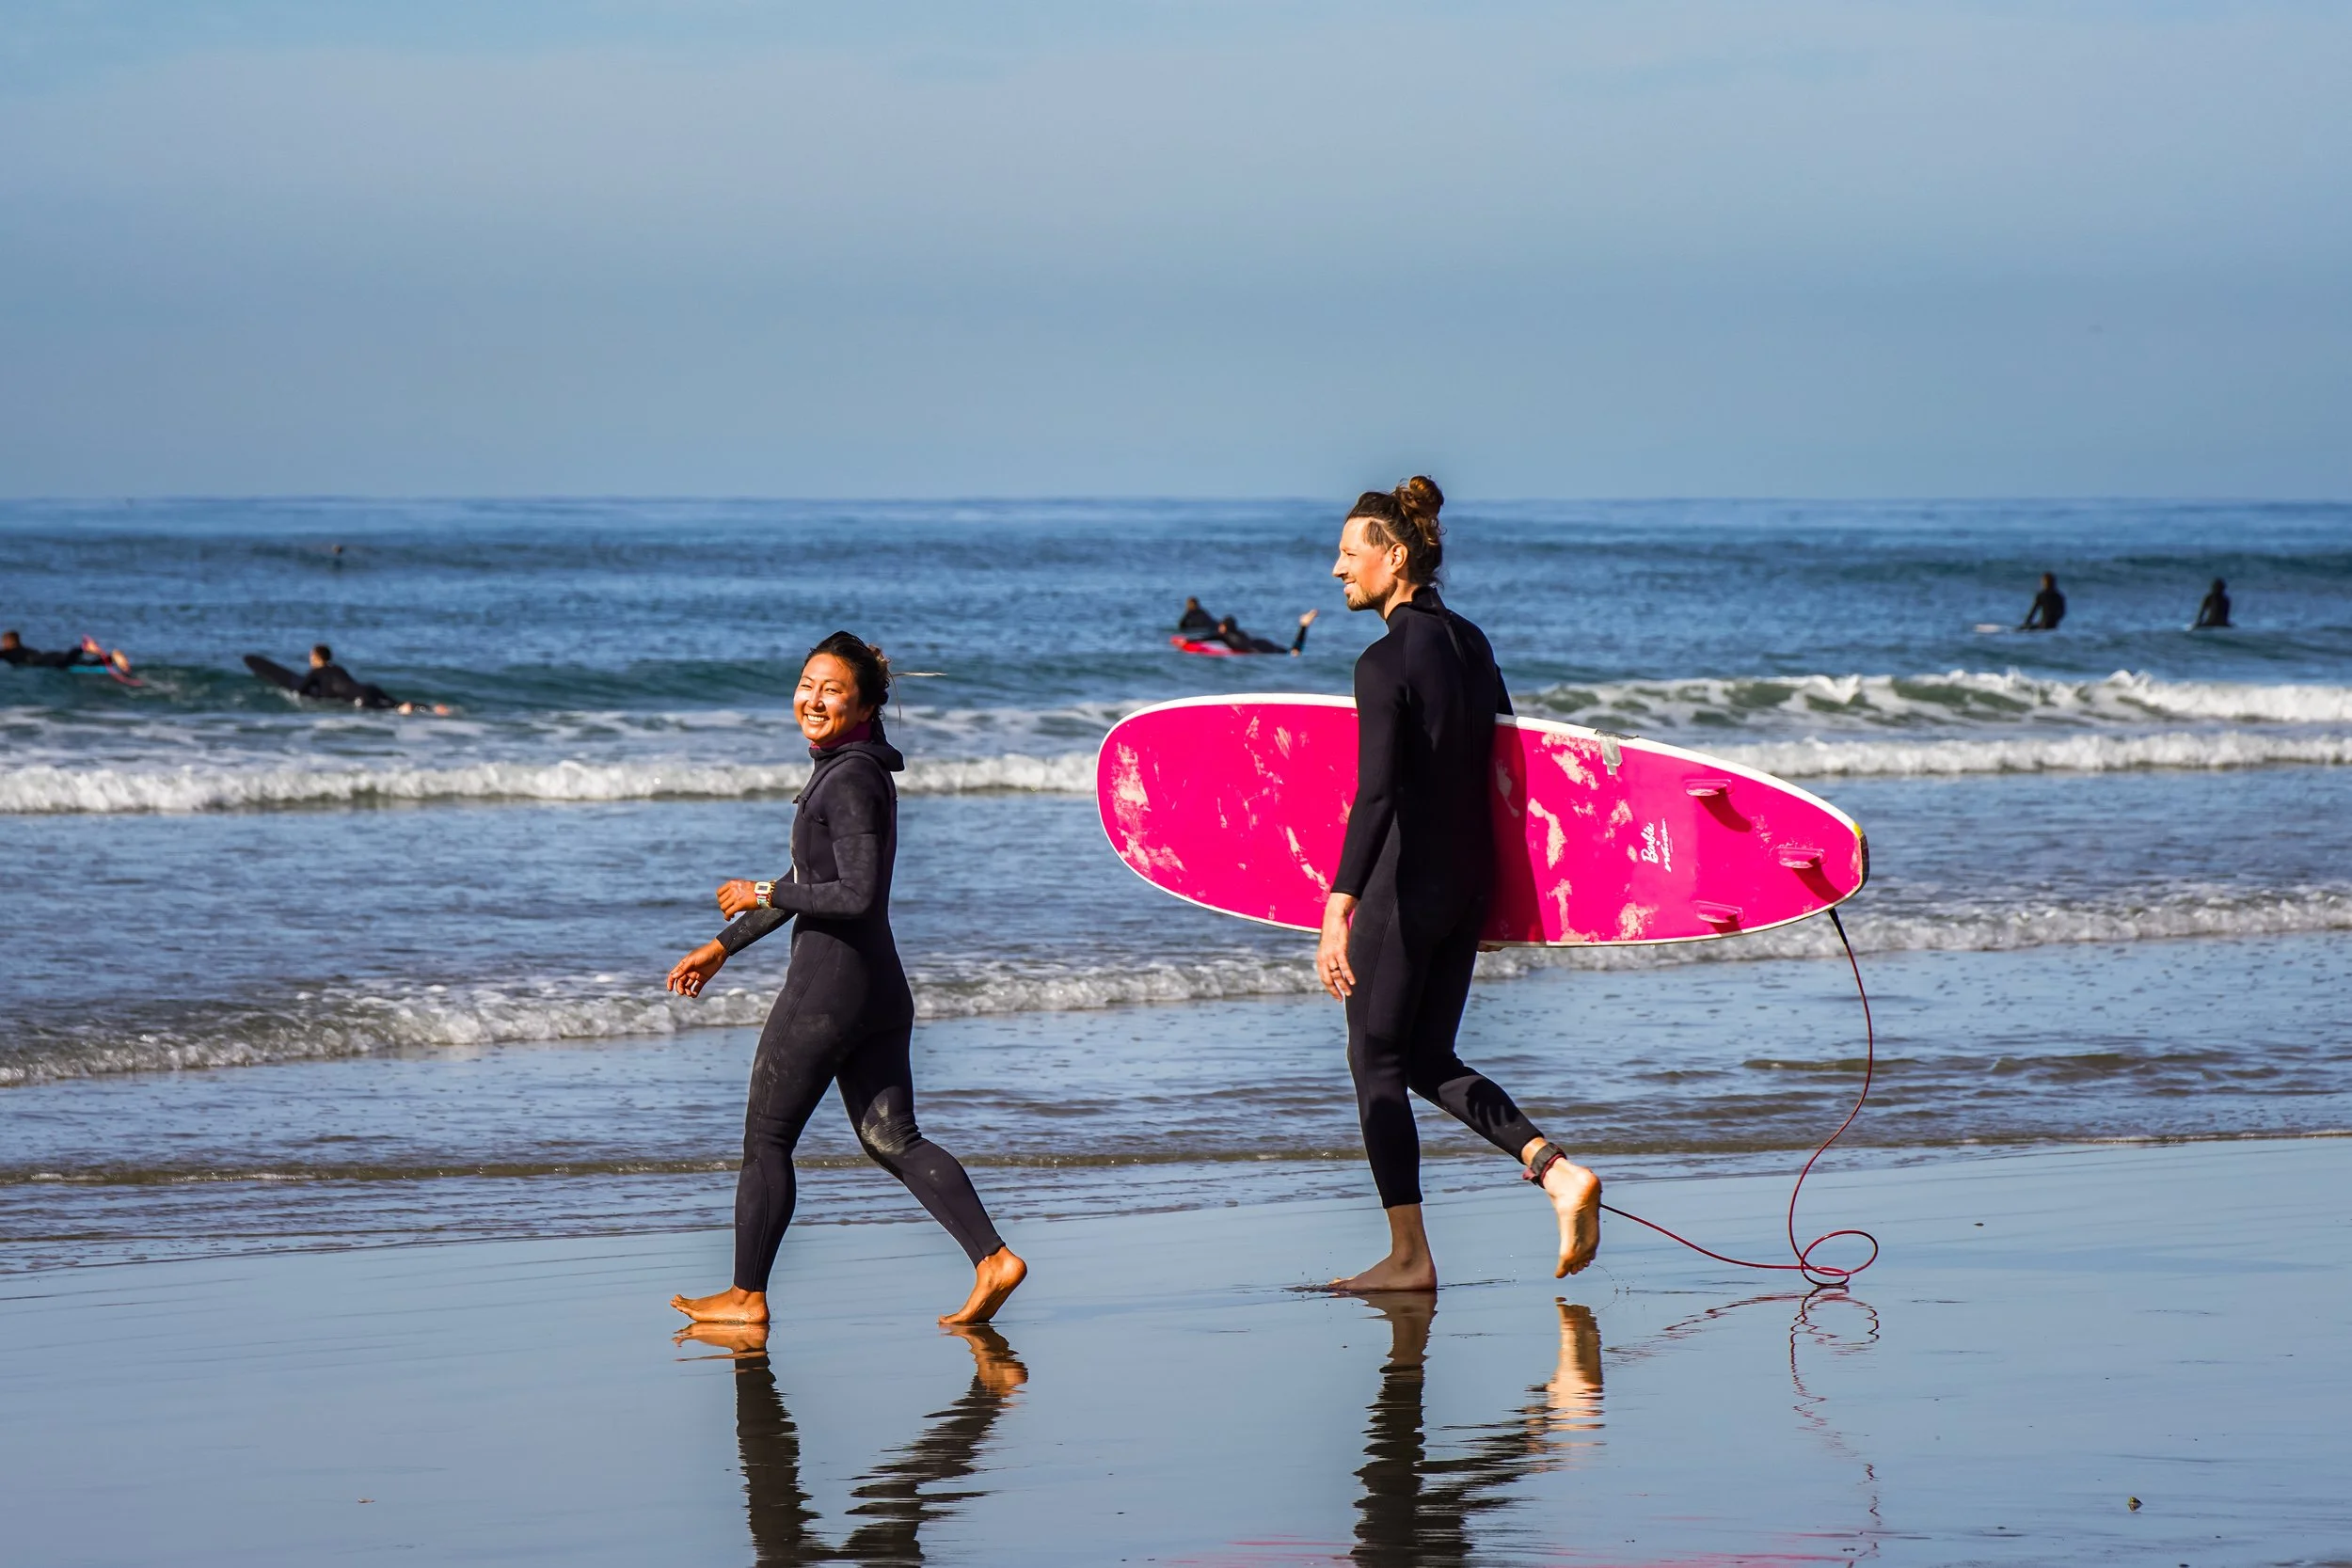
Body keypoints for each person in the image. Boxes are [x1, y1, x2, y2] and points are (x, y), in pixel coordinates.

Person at [666, 631, 1026, 1327]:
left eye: (831, 688)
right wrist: (722, 944)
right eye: (807, 683)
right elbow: (815, 880)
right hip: (876, 986)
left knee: (767, 1140)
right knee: (893, 1137)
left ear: (863, 704)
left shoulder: (852, 778)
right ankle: (992, 1258)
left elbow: (854, 893)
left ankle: (746, 1297)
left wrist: (761, 887)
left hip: (829, 988)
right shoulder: (852, 769)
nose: (813, 698)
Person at [1316, 476, 1601, 1292]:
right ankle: (1555, 1170)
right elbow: (1515, 770)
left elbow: (1376, 795)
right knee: (1425, 1055)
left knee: (1374, 1059)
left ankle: (1410, 1257)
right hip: (1464, 885)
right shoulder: (1473, 643)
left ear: (1393, 556)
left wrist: (1339, 907)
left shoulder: (1382, 661)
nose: (1337, 569)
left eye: (1349, 551)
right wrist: (1511, 896)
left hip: (1404, 889)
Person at [295, 644, 447, 715]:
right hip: (369, 688)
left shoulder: (315, 672)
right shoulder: (338, 668)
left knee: (393, 709)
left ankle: (411, 709)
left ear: (316, 658)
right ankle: (431, 708)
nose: (310, 659)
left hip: (360, 698)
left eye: (311, 656)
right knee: (397, 703)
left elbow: (301, 690)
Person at [1, 631, 120, 673]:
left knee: (67, 663)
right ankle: (112, 658)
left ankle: (83, 648)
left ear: (8, 642)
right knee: (84, 664)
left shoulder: (8, 652)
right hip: (51, 655)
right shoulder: (26, 649)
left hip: (44, 661)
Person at [1213, 609, 1319, 655]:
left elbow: (1209, 637)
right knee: (1292, 652)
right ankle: (1304, 626)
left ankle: (1304, 625)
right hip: (1261, 643)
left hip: (1258, 650)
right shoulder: (1239, 633)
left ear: (1225, 627)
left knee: (1294, 653)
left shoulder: (1225, 636)